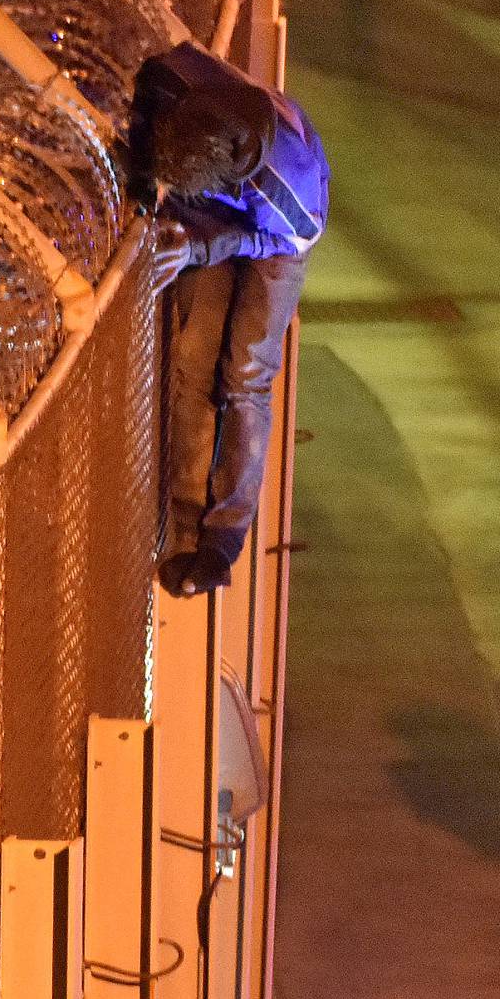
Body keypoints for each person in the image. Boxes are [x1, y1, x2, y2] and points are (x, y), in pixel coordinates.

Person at [127, 42, 330, 598]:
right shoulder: (171, 81)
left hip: (275, 242)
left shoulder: (291, 192)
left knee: (244, 376)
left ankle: (223, 537)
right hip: (205, 206)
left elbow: (271, 238)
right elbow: (144, 106)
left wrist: (195, 252)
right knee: (195, 356)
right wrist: (147, 189)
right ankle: (185, 514)